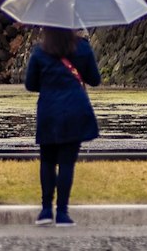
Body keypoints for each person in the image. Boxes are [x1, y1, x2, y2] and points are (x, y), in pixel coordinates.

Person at [24, 26, 100, 226]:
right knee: (67, 163)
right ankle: (63, 213)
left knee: (47, 161)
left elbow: (30, 84)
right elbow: (95, 79)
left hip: (49, 110)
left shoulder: (40, 51)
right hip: (74, 110)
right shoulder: (82, 48)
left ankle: (46, 210)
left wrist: (49, 81)